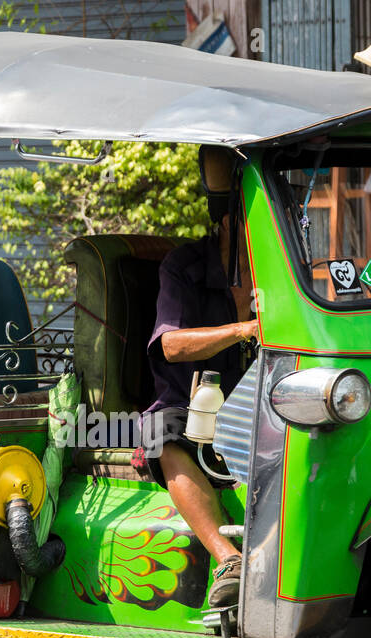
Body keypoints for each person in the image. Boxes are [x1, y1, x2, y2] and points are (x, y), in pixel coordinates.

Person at [139, 147, 258, 608]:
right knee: (163, 435)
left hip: (260, 397)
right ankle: (228, 559)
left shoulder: (287, 273)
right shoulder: (183, 267)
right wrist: (242, 329)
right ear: (229, 221)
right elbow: (170, 344)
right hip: (193, 404)